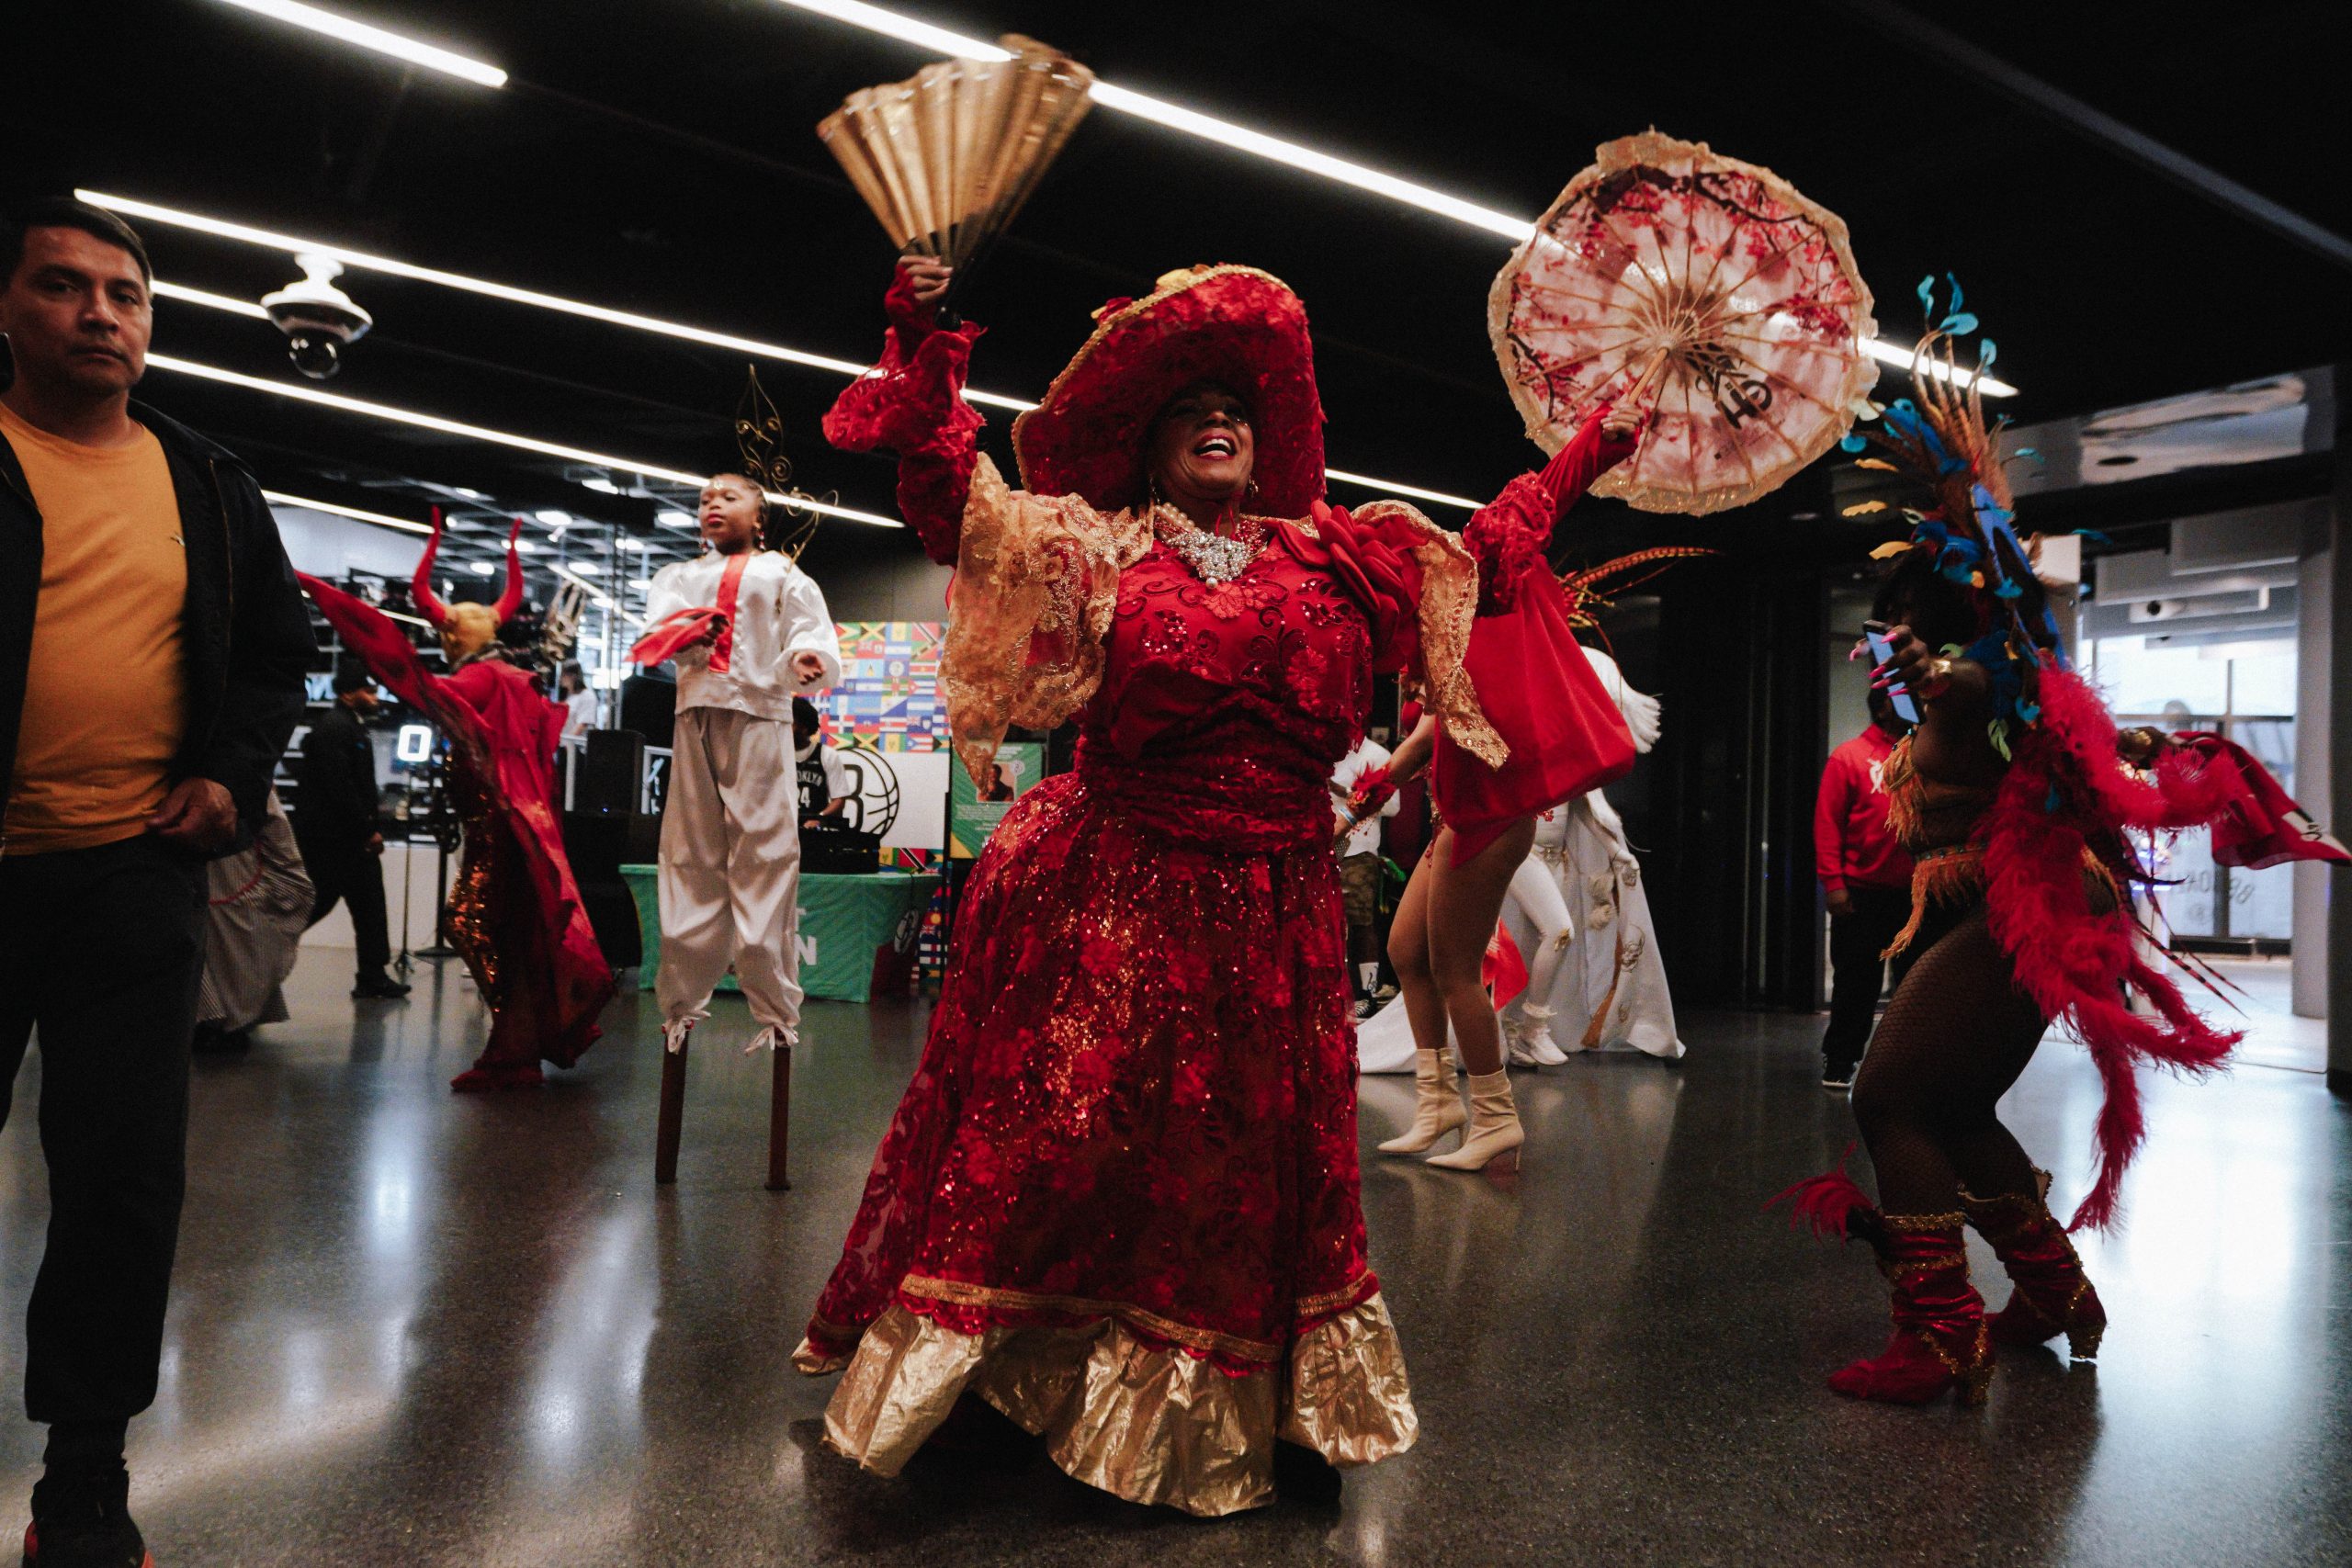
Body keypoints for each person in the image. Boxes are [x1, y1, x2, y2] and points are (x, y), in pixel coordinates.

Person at [791, 253, 1639, 1516]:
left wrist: (1577, 460)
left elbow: (1488, 556)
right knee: (1061, 1148)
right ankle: (1000, 1383)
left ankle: (1261, 1399)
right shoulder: (1098, 552)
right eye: (1187, 412)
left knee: (1248, 1172)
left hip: (1275, 913)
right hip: (1112, 893)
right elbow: (957, 508)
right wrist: (924, 347)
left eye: (1232, 408)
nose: (1216, 422)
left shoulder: (1339, 555)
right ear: (1146, 450)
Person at [1770, 318, 2249, 1407]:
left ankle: (1937, 1335)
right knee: (1956, 1108)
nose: (1887, 625)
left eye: (1899, 610)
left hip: (2018, 904)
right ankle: (2054, 1298)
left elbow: (1999, 684)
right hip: (2010, 905)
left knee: (1889, 1097)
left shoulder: (1985, 669)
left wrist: (1950, 659)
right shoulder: (1989, 672)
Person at [0, 197, 313, 1567]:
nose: (100, 315)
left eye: (124, 294)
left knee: (122, 1180)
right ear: (9, 307)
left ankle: (84, 1467)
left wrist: (235, 773)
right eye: (65, 288)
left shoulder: (207, 481)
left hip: (136, 877)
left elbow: (270, 660)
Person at [1346, 412, 1645, 1172]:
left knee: (1454, 969)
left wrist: (1603, 441)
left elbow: (1544, 493)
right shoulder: (1436, 636)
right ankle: (1438, 1099)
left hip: (1492, 818)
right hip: (1461, 816)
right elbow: (1430, 737)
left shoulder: (1486, 583)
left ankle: (1493, 1115)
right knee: (1405, 951)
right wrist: (1375, 792)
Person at [300, 516, 614, 1090]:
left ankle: (516, 1042)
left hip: (498, 826)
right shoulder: (507, 676)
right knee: (508, 926)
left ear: (449, 638)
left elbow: (438, 696)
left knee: (472, 921)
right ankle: (519, 1042)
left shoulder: (478, 681)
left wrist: (376, 643)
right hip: (504, 823)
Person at [632, 474, 842, 1055]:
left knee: (765, 852)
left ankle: (774, 1006)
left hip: (759, 714)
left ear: (760, 516)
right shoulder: (676, 578)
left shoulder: (782, 574)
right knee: (689, 852)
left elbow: (811, 633)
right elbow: (656, 634)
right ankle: (680, 1001)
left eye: (729, 497)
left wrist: (806, 657)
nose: (713, 505)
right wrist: (683, 635)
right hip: (695, 712)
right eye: (704, 500)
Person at [1814, 685, 1915, 1089]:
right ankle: (1840, 1060)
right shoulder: (1848, 757)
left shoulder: (1921, 755)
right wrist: (1834, 885)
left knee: (1912, 987)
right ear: (1887, 705)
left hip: (1913, 895)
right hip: (1860, 893)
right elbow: (1826, 825)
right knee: (1856, 983)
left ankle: (1904, 1068)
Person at [295, 660, 410, 998]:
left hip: (347, 839)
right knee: (317, 904)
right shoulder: (335, 729)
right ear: (347, 693)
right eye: (368, 690)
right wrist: (366, 830)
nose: (375, 696)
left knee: (370, 907)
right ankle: (265, 955)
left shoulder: (347, 725)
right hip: (334, 841)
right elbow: (340, 787)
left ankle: (373, 975)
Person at [195, 789, 315, 1050]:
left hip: (232, 857)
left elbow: (271, 818)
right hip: (221, 859)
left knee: (235, 940)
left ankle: (218, 1021)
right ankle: (213, 1020)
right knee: (228, 939)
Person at [1330, 732, 1398, 1015]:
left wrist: (1345, 792)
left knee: (1360, 921)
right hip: (1323, 849)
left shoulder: (1377, 755)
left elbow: (1394, 806)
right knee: (1328, 924)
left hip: (1359, 851)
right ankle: (1336, 991)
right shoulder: (1327, 753)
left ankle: (1367, 993)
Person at [794, 695, 852, 831]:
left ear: (804, 728)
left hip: (815, 834)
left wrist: (818, 818)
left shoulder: (827, 755)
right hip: (783, 831)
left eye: (791, 724)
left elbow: (839, 800)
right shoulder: (778, 756)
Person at [558, 660, 597, 740]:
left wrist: (567, 742)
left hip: (577, 747)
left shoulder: (587, 696)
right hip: (566, 745)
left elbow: (582, 725)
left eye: (563, 675)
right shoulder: (570, 697)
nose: (560, 678)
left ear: (573, 676)